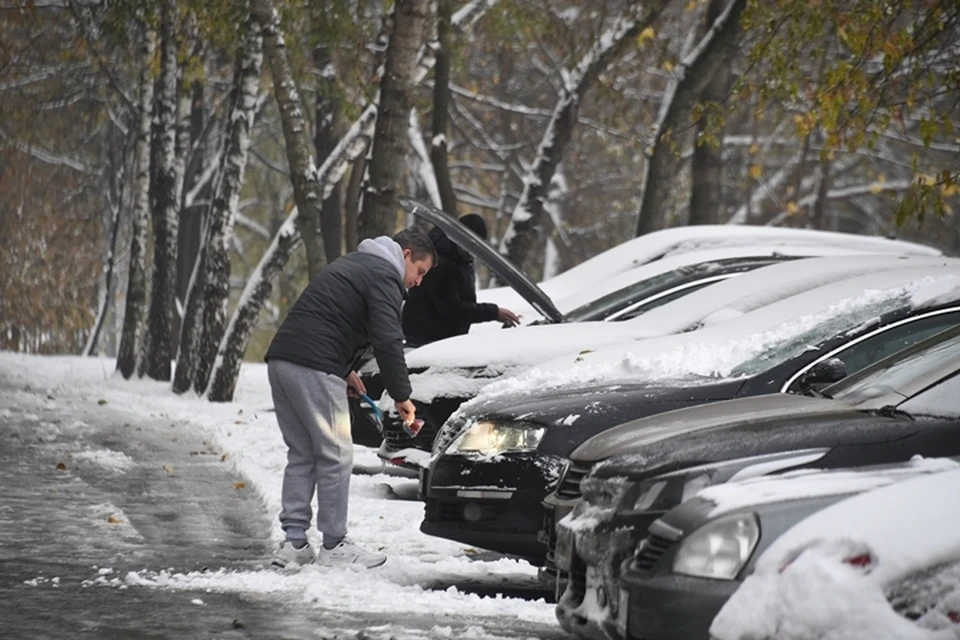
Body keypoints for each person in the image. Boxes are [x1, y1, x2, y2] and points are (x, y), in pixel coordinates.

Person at [264, 228, 436, 569]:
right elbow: (388, 340)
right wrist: (402, 396)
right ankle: (334, 544)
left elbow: (330, 319)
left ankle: (294, 544)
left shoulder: (355, 263)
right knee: (337, 454)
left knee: (303, 454)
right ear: (405, 255)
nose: (418, 282)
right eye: (420, 271)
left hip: (283, 360)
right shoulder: (385, 274)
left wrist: (345, 370)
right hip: (314, 365)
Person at [402, 213, 519, 347]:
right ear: (457, 238)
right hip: (423, 342)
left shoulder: (459, 258)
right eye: (469, 247)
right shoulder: (439, 264)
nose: (472, 254)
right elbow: (453, 309)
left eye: (476, 249)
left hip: (442, 341)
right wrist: (494, 312)